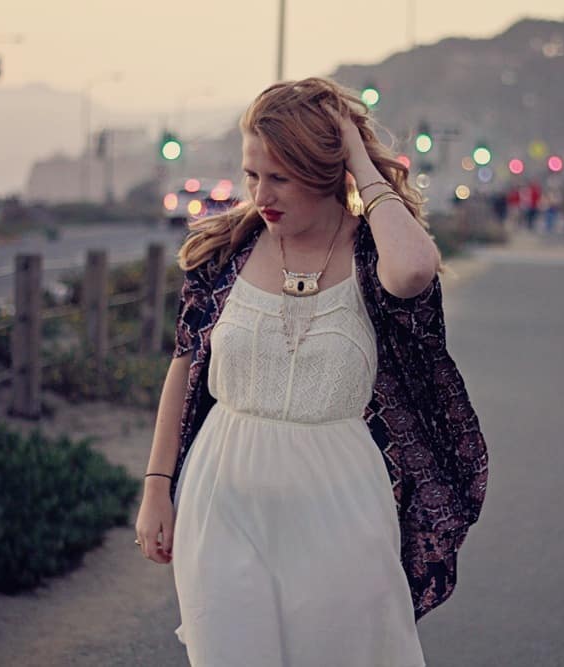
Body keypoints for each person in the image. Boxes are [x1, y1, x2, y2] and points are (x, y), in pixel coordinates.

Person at [134, 77, 488, 667]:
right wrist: (156, 488)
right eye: (252, 174)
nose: (260, 193)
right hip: (223, 494)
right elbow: (184, 363)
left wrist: (358, 156)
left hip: (341, 503)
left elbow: (418, 270)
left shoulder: (374, 257)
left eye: (281, 176)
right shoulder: (224, 253)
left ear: (327, 172)